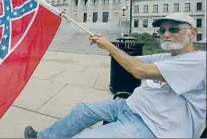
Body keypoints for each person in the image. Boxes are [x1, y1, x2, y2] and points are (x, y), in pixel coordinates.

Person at [24, 13, 206, 138]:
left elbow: (138, 70)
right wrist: (104, 43)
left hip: (156, 127)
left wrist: (109, 46)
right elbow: (130, 59)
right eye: (162, 31)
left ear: (193, 33)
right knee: (83, 109)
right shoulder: (166, 57)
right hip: (130, 107)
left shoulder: (199, 61)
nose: (166, 34)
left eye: (174, 29)